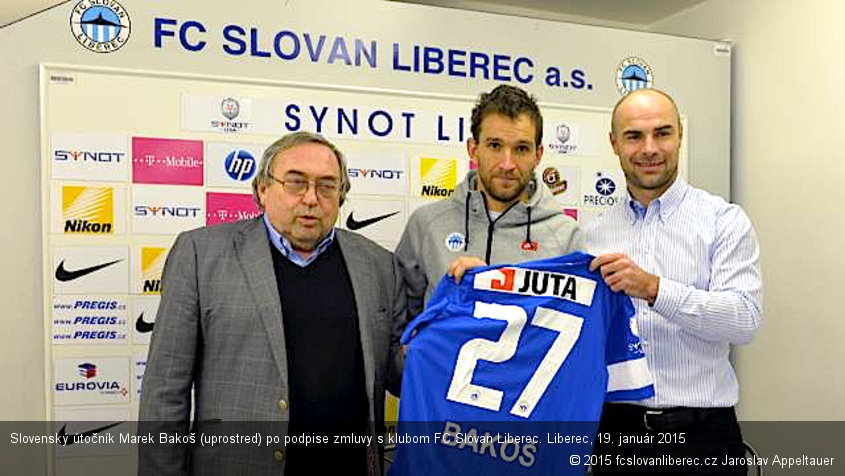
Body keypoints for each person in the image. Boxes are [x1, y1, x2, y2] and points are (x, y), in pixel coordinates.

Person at [139, 131, 406, 476]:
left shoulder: (378, 265)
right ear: (262, 189)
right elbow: (164, 392)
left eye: (327, 186)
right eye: (296, 183)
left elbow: (400, 373)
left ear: (341, 196)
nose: (311, 198)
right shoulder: (200, 255)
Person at [587, 89, 762, 475]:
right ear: (614, 143)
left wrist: (655, 289)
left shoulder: (723, 221)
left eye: (662, 133)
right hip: (617, 437)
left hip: (703, 437)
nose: (650, 148)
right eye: (634, 136)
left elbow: (744, 320)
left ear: (680, 135)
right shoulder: (592, 235)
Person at [396, 84, 583, 315]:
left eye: (521, 149)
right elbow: (403, 319)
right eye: (495, 146)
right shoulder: (426, 224)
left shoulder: (566, 236)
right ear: (473, 149)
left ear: (538, 155)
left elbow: (573, 323)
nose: (507, 164)